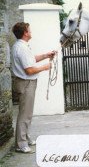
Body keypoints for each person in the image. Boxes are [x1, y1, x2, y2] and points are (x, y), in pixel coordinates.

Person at [11, 22, 56, 153]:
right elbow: (29, 70)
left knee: (27, 113)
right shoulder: (22, 48)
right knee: (25, 114)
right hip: (26, 83)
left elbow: (31, 60)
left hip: (26, 83)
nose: (31, 31)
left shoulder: (22, 46)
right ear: (25, 33)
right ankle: (21, 144)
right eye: (29, 30)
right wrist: (46, 67)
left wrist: (46, 55)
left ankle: (25, 137)